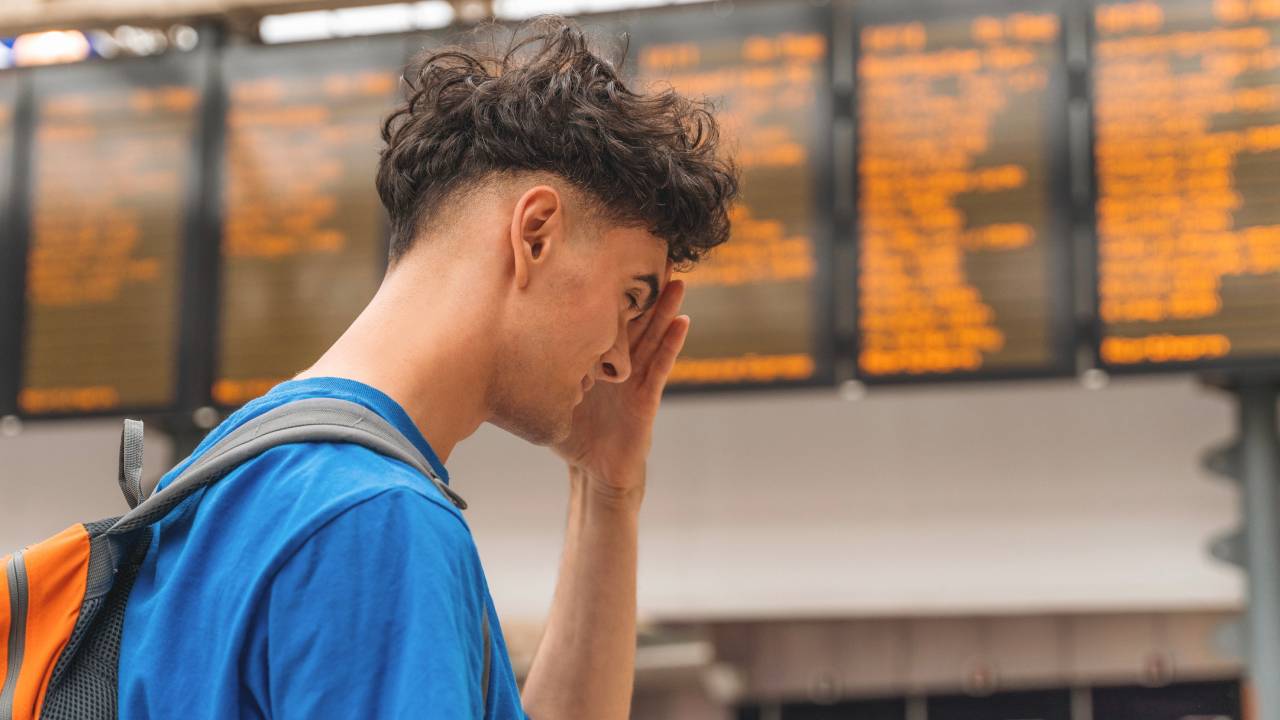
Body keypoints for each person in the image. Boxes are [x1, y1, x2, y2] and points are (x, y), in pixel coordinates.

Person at [117, 15, 737, 720]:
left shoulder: (236, 478)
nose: (625, 359)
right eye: (630, 296)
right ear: (536, 234)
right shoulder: (375, 520)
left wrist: (607, 495)